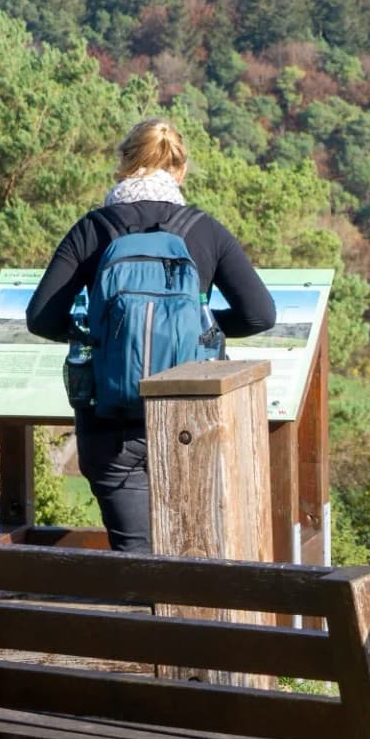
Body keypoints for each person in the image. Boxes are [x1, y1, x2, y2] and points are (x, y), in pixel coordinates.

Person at [26, 118, 275, 551]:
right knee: (198, 550)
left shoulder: (93, 229)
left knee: (137, 558)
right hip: (194, 420)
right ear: (180, 171)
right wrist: (203, 328)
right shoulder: (203, 229)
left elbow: (41, 318)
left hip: (109, 422)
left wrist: (98, 332)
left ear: (123, 165)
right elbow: (259, 315)